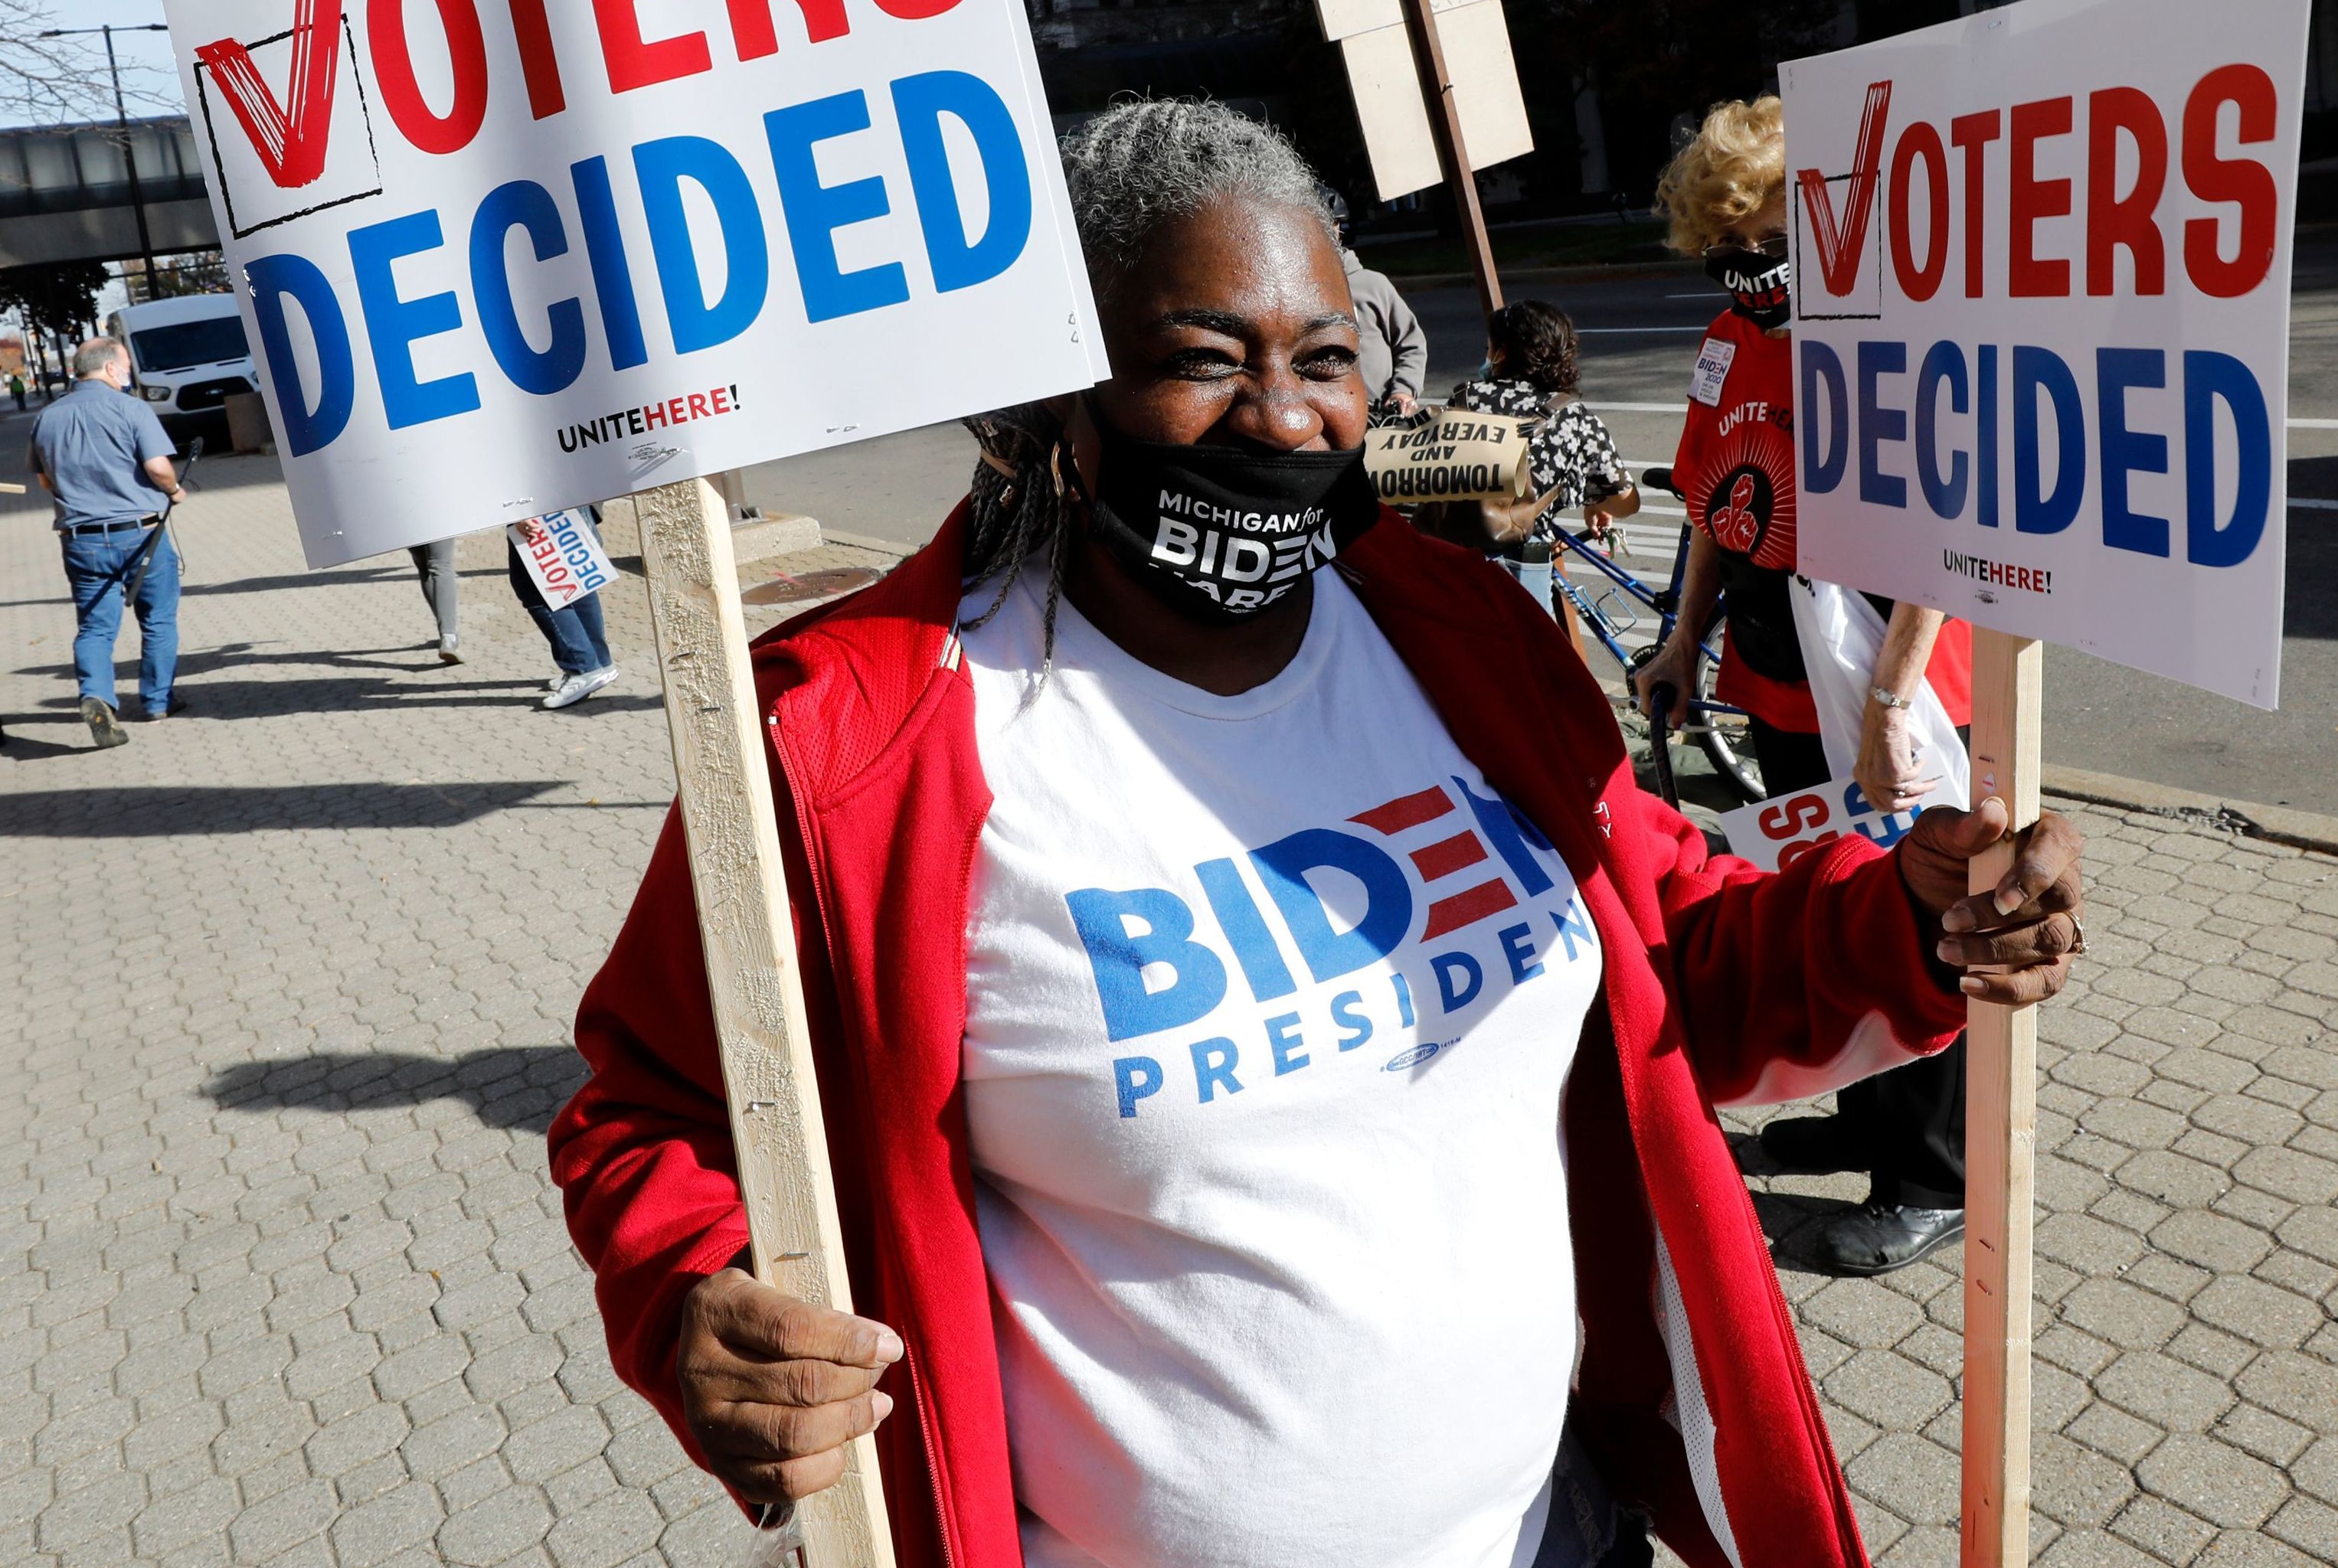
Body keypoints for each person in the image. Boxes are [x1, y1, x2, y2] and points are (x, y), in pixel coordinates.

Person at [549, 99, 2087, 1568]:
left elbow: (1669, 956)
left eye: (1324, 356)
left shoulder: (1461, 641)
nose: (1281, 417)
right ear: (1056, 397)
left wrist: (1912, 917)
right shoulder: (849, 740)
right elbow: (659, 1106)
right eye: (1201, 361)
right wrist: (693, 1298)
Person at [1634, 96, 1980, 1276]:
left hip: (1897, 674)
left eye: (1763, 238)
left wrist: (1888, 706)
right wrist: (1682, 645)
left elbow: (1943, 523)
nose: (1742, 267)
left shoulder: (1881, 334)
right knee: (1817, 895)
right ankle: (1863, 1110)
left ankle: (1932, 1177)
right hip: (1782, 666)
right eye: (1722, 246)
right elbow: (1708, 503)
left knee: (1916, 912)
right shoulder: (1733, 338)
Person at [27, 336, 188, 749]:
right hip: (140, 534)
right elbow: (158, 468)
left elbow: (45, 479)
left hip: (81, 540)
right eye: (127, 367)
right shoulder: (132, 409)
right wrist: (173, 492)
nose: (129, 374)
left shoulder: (46, 418)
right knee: (158, 619)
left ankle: (97, 697)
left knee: (95, 627)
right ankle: (156, 702)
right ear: (112, 369)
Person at [1445, 301, 1641, 608]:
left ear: (1502, 352)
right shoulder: (1572, 416)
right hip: (1525, 561)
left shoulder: (1466, 399)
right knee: (1529, 648)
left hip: (1454, 561)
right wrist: (1597, 503)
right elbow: (1625, 501)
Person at [509, 509, 616, 709]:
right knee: (571, 575)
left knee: (537, 588)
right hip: (563, 500)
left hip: (533, 504)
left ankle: (584, 669)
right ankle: (599, 663)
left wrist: (520, 512)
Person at [1341, 232, 1428, 419]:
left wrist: (1403, 391)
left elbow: (1410, 344)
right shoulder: (1295, 291)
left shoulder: (1373, 285)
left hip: (1382, 415)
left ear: (1337, 228)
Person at [410, 540, 463, 667]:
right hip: (435, 520)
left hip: (404, 522)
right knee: (441, 565)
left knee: (424, 566)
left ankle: (447, 630)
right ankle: (449, 637)